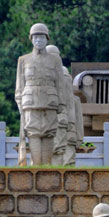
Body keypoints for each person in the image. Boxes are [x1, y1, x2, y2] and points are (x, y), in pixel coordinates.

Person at [15, 23, 66, 165]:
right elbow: (19, 85)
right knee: (33, 134)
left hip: (50, 102)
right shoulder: (23, 60)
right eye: (36, 37)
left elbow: (60, 84)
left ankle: (46, 170)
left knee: (49, 133)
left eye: (41, 37)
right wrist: (20, 103)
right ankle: (36, 168)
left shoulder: (55, 59)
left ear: (47, 39)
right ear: (31, 39)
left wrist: (61, 102)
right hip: (30, 103)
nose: (38, 40)